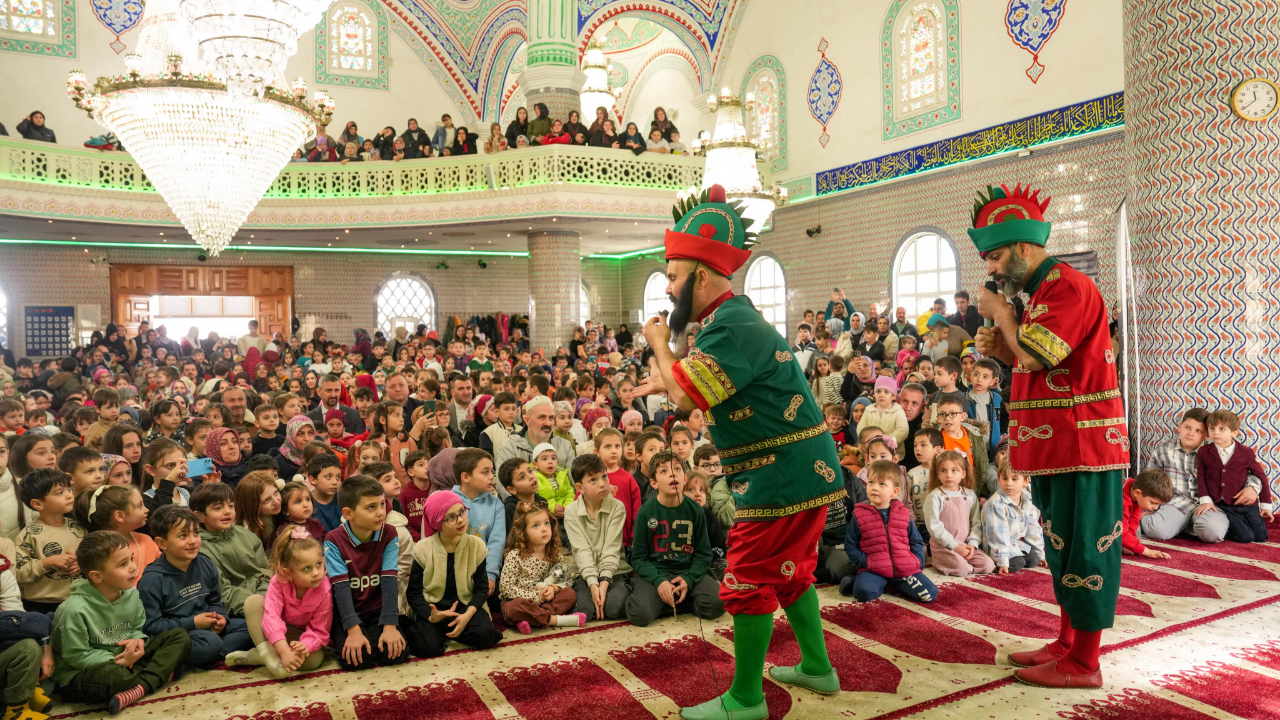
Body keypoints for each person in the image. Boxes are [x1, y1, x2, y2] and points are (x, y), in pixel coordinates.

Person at [632, 184, 843, 718]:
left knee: (747, 576)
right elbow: (695, 392)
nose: (669, 287)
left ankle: (746, 700)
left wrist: (659, 344)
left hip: (782, 474)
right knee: (790, 570)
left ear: (701, 276)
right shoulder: (729, 322)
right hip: (796, 469)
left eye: (673, 277)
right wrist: (670, 377)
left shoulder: (730, 326)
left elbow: (685, 397)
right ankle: (817, 667)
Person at [971, 182, 1128, 688]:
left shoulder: (1067, 286)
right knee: (1062, 545)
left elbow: (1038, 356)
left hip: (1085, 444)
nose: (991, 269)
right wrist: (999, 346)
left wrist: (1001, 317)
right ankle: (1066, 643)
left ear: (1023, 247)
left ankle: (1085, 663)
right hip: (1057, 443)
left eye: (995, 257)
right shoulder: (1039, 292)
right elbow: (1027, 360)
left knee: (1087, 548)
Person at [51, 532, 190, 715]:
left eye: (131, 559)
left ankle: (139, 687)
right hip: (87, 671)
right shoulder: (73, 609)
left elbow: (136, 628)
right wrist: (120, 661)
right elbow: (76, 656)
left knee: (180, 636)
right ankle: (158, 675)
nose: (133, 568)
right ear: (97, 576)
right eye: (123, 564)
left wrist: (137, 641)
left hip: (128, 659)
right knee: (113, 676)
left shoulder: (131, 593)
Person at [139, 505, 251, 669]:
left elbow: (214, 600)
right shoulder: (152, 580)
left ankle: (201, 657)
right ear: (162, 543)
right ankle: (192, 658)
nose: (193, 541)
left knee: (250, 626)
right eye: (183, 535)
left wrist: (220, 618)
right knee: (210, 643)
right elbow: (152, 627)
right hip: (180, 634)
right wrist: (193, 623)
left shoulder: (205, 564)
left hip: (206, 629)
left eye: (196, 533)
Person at [625, 451, 723, 629]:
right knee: (639, 614)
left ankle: (676, 598)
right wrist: (658, 581)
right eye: (664, 471)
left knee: (718, 604)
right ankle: (667, 596)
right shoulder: (645, 512)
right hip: (657, 572)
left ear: (685, 478)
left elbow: (703, 555)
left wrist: (689, 578)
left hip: (687, 570)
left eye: (677, 469)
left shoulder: (696, 510)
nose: (672, 474)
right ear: (653, 483)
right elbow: (639, 558)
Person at [402, 490, 503, 658]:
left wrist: (467, 616)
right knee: (427, 648)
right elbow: (413, 593)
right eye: (451, 517)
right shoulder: (423, 549)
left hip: (465, 606)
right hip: (434, 609)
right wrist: (430, 616)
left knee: (486, 635)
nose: (461, 519)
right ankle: (415, 626)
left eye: (462, 512)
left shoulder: (476, 546)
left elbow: (481, 590)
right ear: (437, 523)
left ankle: (451, 629)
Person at [323, 475, 409, 671]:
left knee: (395, 654)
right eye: (371, 507)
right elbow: (341, 588)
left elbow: (389, 581)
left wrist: (389, 625)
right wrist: (353, 630)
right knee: (358, 660)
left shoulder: (389, 533)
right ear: (348, 513)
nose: (380, 512)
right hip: (348, 611)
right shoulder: (334, 539)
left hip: (377, 608)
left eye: (381, 504)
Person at [225, 523, 331, 677]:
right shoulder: (279, 581)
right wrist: (283, 649)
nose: (316, 573)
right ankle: (268, 654)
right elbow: (271, 616)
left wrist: (304, 646)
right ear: (288, 573)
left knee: (315, 659)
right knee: (253, 602)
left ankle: (259, 657)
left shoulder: (324, 589)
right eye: (307, 568)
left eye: (319, 564)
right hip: (274, 633)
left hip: (299, 636)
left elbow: (320, 629)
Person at [840, 460, 936, 602]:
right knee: (863, 593)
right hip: (874, 569)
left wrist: (916, 560)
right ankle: (859, 581)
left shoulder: (903, 514)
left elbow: (916, 541)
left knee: (930, 595)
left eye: (882, 484)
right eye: (871, 482)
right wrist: (868, 562)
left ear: (895, 492)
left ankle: (891, 584)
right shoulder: (859, 515)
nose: (874, 488)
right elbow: (850, 546)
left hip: (903, 569)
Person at [1140, 408, 1227, 542]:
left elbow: (1240, 473)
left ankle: (1184, 526)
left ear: (1207, 435)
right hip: (1176, 503)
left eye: (1198, 431)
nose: (1191, 433)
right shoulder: (1164, 450)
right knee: (1156, 530)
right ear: (1180, 427)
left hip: (1206, 503)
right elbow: (1149, 479)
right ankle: (1168, 523)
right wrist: (1146, 507)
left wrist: (1252, 487)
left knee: (1213, 532)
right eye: (1187, 427)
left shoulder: (1215, 453)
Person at [565, 454, 632, 621]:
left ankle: (627, 587)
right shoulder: (571, 511)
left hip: (615, 570)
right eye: (593, 480)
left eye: (604, 476)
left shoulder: (617, 507)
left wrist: (604, 583)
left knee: (614, 608)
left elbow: (612, 548)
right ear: (580, 487)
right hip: (585, 571)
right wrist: (593, 585)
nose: (602, 484)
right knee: (585, 611)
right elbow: (581, 550)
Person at [498, 500, 582, 634]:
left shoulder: (554, 554)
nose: (544, 529)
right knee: (513, 608)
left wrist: (553, 588)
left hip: (544, 603)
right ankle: (555, 620)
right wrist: (537, 596)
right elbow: (506, 589)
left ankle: (531, 619)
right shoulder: (515, 556)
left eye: (546, 523)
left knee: (569, 594)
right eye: (536, 525)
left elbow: (567, 579)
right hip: (520, 601)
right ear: (523, 532)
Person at [191, 483, 271, 617]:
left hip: (267, 599)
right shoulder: (200, 549)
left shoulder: (246, 535)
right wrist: (257, 603)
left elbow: (265, 571)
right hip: (240, 609)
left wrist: (267, 598)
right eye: (218, 508)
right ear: (200, 516)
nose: (227, 511)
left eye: (230, 506)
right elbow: (223, 592)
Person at [16, 469, 86, 614]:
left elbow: (93, 558)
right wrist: (48, 562)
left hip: (78, 599)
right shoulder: (28, 535)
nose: (69, 495)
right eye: (59, 493)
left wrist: (81, 563)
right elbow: (18, 571)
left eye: (69, 489)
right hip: (39, 605)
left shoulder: (79, 528)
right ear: (38, 504)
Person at [1196, 409, 1272, 542]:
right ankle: (1229, 529)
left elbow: (1261, 476)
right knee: (1246, 537)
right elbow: (1201, 476)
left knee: (1261, 537)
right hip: (1224, 504)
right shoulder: (1204, 452)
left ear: (1234, 432)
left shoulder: (1246, 452)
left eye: (1222, 429)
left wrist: (1266, 505)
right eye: (1212, 428)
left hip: (1247, 504)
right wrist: (1206, 499)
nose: (1216, 432)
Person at [922, 450, 994, 577]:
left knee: (988, 565)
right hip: (944, 547)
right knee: (962, 570)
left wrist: (972, 544)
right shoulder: (935, 496)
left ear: (963, 473)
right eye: (943, 470)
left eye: (954, 470)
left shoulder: (970, 495)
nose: (949, 475)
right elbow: (934, 527)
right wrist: (955, 546)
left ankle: (964, 564)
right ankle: (944, 562)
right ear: (937, 474)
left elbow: (976, 523)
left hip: (965, 545)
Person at [982, 458, 1047, 573]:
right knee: (1018, 563)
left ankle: (1017, 557)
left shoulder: (1028, 500)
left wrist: (1041, 554)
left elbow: (1033, 530)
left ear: (1026, 481)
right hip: (996, 546)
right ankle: (996, 562)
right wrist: (1002, 561)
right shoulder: (996, 504)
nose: (1009, 484)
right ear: (999, 480)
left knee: (1034, 559)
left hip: (1013, 543)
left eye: (1015, 479)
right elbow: (998, 537)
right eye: (1004, 479)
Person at [1121, 468, 1173, 561]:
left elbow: (1133, 522)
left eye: (1159, 505)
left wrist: (1128, 545)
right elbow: (1120, 532)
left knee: (1135, 539)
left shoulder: (1136, 490)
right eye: (1153, 503)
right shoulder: (1122, 500)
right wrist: (1147, 551)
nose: (1156, 508)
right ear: (1137, 493)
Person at [856, 377, 908, 448]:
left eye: (886, 392)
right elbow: (861, 427)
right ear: (874, 394)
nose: (881, 395)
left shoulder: (898, 411)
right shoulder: (869, 410)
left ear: (893, 396)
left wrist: (887, 442)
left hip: (892, 452)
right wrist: (868, 440)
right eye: (878, 391)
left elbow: (902, 430)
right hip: (871, 448)